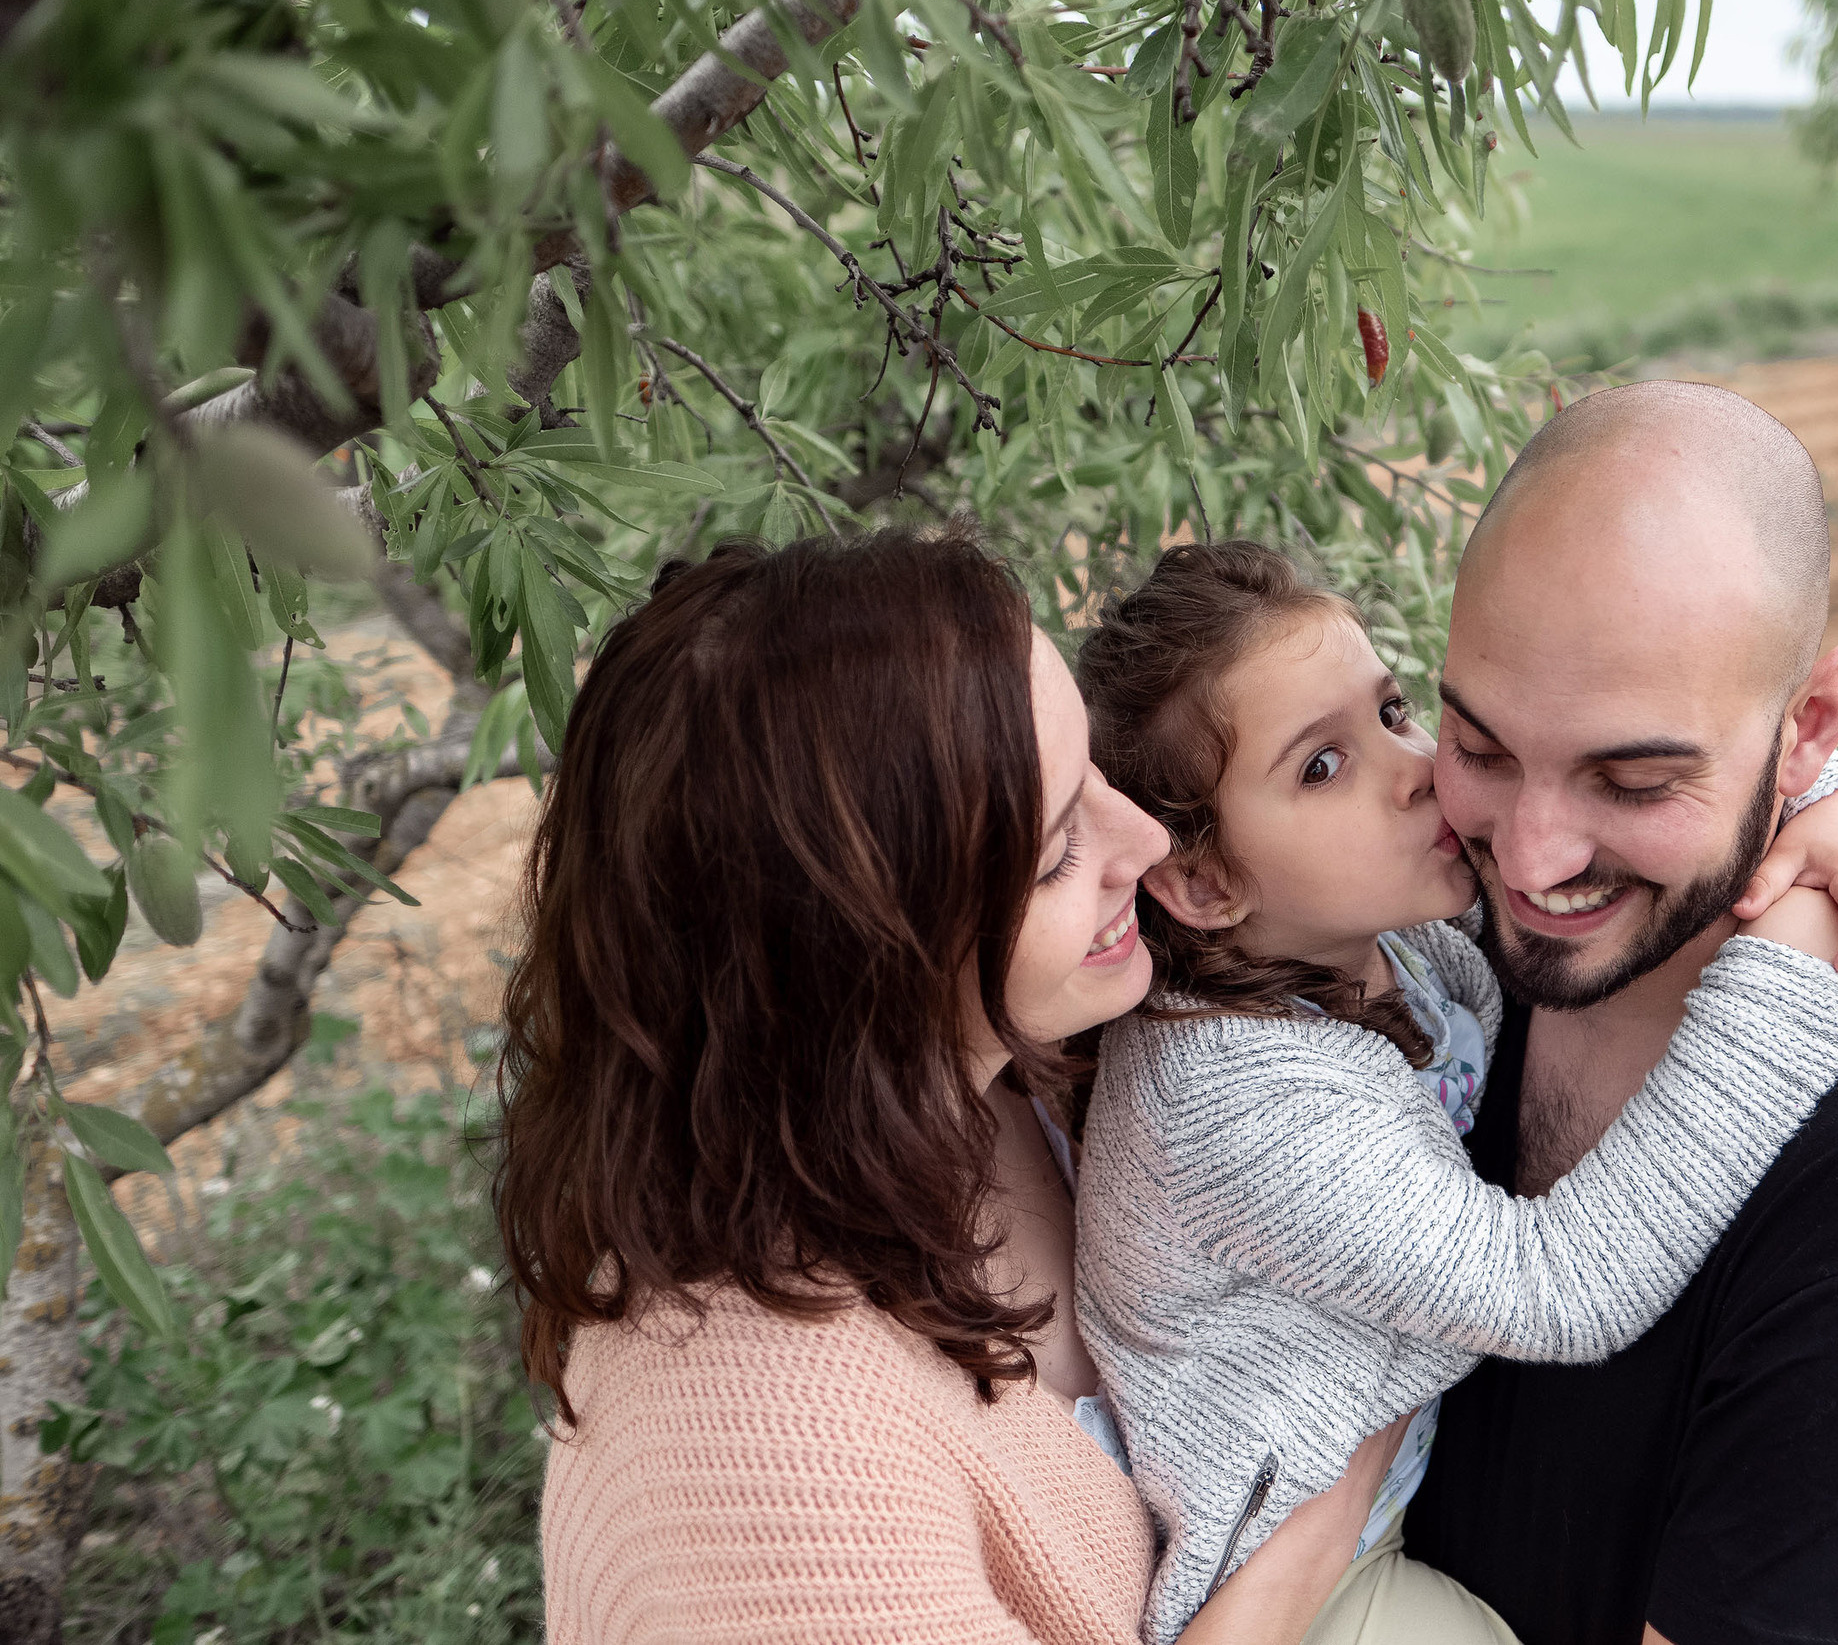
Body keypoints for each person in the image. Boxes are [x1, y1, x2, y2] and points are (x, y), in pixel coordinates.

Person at [501, 530, 1408, 1645]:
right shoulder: (764, 1476)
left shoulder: (1033, 1070)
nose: (1143, 841)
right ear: (859, 954)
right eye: (1055, 850)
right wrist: (1338, 1491)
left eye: (1097, 778)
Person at [1069, 542, 1838, 1645]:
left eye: (1389, 712)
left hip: (1387, 1482)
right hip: (1303, 1581)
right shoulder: (1228, 1099)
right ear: (1203, 882)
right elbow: (1559, 1289)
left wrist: (1831, 803)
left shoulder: (1377, 933)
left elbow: (1659, 810)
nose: (1414, 766)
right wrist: (1797, 966)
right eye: (1321, 766)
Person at [1400, 381, 1838, 1645]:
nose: (1529, 862)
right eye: (1479, 749)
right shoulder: (1416, 955)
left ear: (1808, 727)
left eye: (1634, 780)